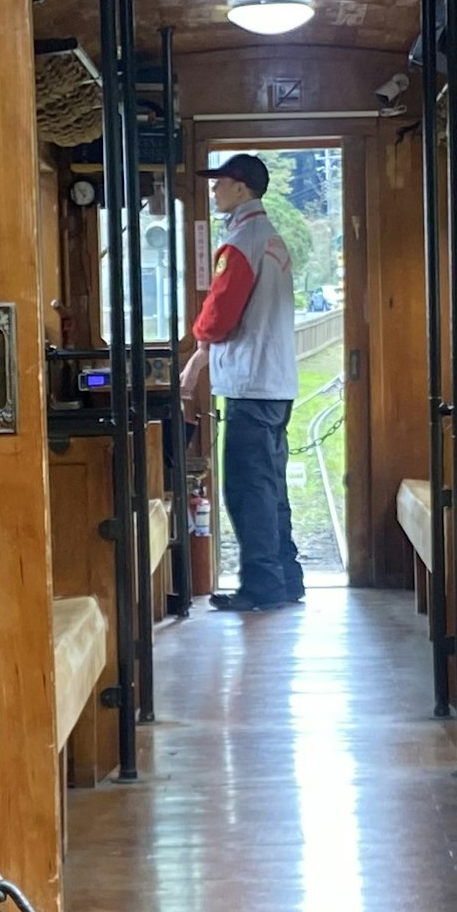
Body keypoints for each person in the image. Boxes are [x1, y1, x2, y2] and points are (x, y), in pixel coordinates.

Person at [189, 152, 302, 612]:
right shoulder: (272, 238)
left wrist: (197, 346)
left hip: (250, 385)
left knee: (246, 489)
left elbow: (220, 312)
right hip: (275, 383)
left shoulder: (241, 241)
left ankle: (262, 586)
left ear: (240, 189)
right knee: (271, 486)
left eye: (220, 184)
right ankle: (286, 576)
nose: (214, 191)